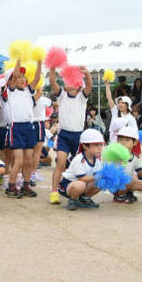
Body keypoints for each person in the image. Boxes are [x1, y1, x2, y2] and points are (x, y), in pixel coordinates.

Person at [48, 66, 93, 204]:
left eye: (73, 80)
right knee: (60, 163)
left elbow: (90, 85)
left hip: (79, 136)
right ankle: (54, 192)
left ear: (78, 84)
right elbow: (52, 82)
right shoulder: (61, 95)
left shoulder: (81, 97)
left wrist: (86, 73)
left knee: (82, 165)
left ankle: (80, 191)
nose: (69, 83)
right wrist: (52, 69)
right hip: (64, 135)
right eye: (67, 80)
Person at [4, 58, 42, 199]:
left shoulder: (28, 91)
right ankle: (11, 186)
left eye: (24, 77)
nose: (22, 79)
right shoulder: (11, 90)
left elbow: (37, 77)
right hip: (16, 128)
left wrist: (39, 60)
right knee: (18, 160)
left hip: (29, 127)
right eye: (19, 77)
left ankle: (26, 185)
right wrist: (19, 58)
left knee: (29, 160)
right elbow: (14, 75)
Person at [58, 129, 103, 211]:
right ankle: (73, 200)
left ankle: (84, 198)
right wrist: (97, 177)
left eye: (101, 145)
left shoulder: (97, 160)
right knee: (80, 184)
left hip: (84, 183)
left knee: (102, 182)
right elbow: (81, 178)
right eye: (96, 145)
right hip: (68, 184)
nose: (100, 148)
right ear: (85, 146)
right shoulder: (79, 159)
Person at [113, 127, 142, 203]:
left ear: (135, 142)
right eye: (120, 139)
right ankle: (119, 195)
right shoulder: (114, 154)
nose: (123, 142)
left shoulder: (135, 157)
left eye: (127, 140)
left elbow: (140, 174)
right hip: (115, 184)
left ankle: (127, 192)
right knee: (132, 178)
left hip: (128, 182)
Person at [30, 88, 52, 183]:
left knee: (29, 151)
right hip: (38, 124)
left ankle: (27, 173)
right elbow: (53, 104)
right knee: (37, 151)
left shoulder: (27, 97)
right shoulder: (42, 99)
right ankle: (32, 173)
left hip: (28, 124)